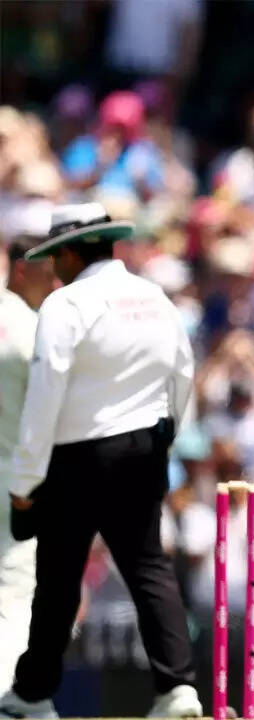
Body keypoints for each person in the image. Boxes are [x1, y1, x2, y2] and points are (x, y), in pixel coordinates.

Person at [1, 204, 199, 719]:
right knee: (148, 566)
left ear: (67, 253)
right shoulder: (154, 297)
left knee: (58, 577)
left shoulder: (66, 304)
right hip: (144, 446)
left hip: (79, 455)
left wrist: (25, 482)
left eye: (54, 258)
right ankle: (177, 689)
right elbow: (183, 374)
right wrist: (165, 438)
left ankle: (31, 692)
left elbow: (45, 397)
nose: (53, 269)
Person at [0, 235, 57, 697]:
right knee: (16, 594)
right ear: (22, 269)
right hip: (16, 482)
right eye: (46, 270)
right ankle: (6, 697)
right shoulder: (33, 329)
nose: (54, 280)